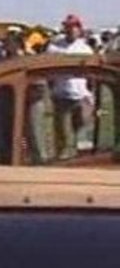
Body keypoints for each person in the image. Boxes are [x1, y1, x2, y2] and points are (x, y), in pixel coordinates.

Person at [47, 13, 95, 159]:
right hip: (61, 94)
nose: (71, 30)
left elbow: (92, 74)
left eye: (74, 27)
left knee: (81, 126)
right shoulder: (54, 48)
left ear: (79, 29)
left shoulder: (85, 49)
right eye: (68, 27)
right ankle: (64, 156)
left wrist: (91, 94)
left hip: (81, 95)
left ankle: (77, 153)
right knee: (63, 129)